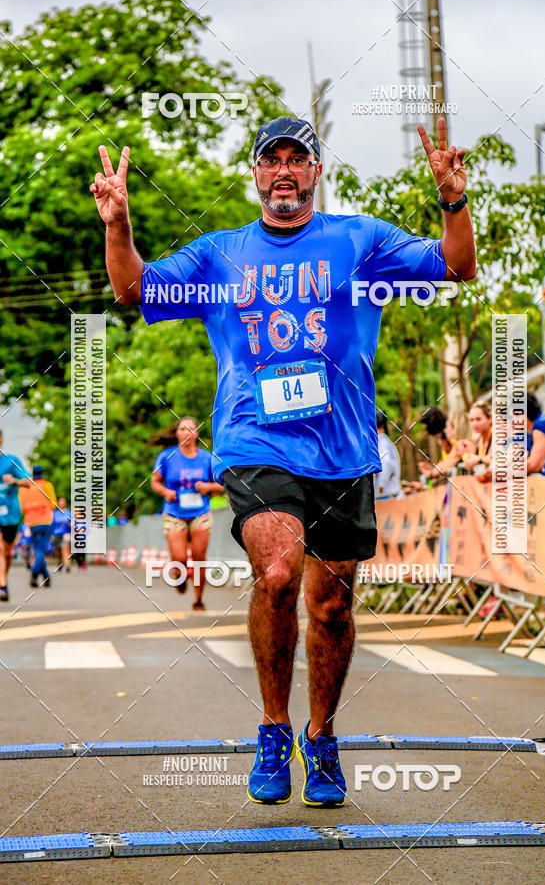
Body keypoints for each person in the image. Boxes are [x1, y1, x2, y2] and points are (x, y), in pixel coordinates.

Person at [93, 115, 476, 807]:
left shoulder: (358, 240)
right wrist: (118, 226)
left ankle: (321, 736)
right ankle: (273, 728)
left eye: (297, 159)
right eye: (272, 160)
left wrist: (453, 199)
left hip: (343, 447)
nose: (284, 171)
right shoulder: (220, 255)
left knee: (330, 605)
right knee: (277, 572)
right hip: (255, 438)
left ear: (316, 172)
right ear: (256, 173)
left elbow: (455, 266)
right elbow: (133, 290)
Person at [151, 417, 224, 609]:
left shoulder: (207, 458)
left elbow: (221, 485)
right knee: (180, 557)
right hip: (174, 512)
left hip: (201, 513)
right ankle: (179, 574)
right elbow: (155, 482)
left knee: (199, 557)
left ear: (196, 434)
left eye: (191, 429)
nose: (187, 433)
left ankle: (198, 599)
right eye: (182, 429)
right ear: (177, 433)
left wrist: (208, 487)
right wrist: (166, 492)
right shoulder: (166, 456)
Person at [0, 430, 31, 601]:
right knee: (0, 547)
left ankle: (3, 579)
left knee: (7, 552)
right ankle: (3, 585)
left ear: (1, 440)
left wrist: (15, 480)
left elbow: (28, 481)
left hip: (11, 513)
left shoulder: (11, 461)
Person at [19, 464, 57, 588]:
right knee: (41, 550)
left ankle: (46, 577)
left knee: (38, 549)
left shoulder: (24, 488)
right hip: (46, 521)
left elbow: (22, 509)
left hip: (32, 522)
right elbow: (53, 505)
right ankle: (34, 573)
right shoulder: (47, 485)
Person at [374, 410, 402, 498]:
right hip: (387, 493)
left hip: (386, 494)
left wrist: (380, 486)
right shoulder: (383, 441)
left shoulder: (382, 443)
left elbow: (386, 463)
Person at [461, 401, 493, 474]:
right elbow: (470, 462)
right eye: (471, 420)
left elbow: (494, 460)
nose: (474, 424)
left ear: (490, 419)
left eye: (478, 419)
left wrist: (479, 459)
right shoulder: (477, 439)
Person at [52, 497, 72, 573]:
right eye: (60, 502)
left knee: (65, 550)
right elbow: (51, 524)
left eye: (63, 502)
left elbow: (73, 521)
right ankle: (60, 563)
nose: (62, 503)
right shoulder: (55, 513)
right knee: (58, 552)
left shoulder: (68, 512)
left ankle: (67, 566)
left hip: (65, 534)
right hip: (56, 534)